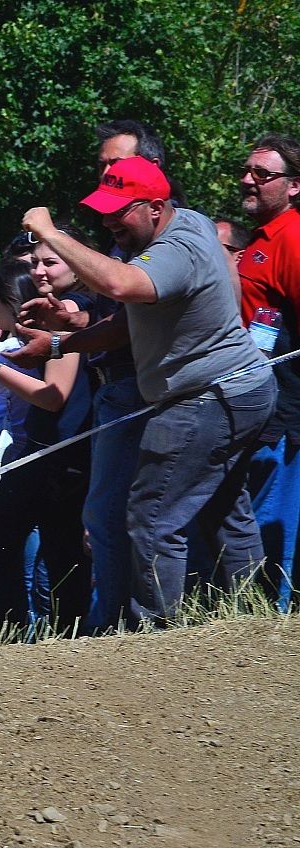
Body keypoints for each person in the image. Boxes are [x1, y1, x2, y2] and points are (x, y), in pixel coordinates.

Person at [22, 155, 277, 623]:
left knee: (152, 517)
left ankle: (156, 634)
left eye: (120, 209)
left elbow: (120, 286)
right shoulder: (191, 224)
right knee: (225, 511)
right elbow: (126, 323)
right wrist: (61, 341)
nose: (109, 219)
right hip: (240, 388)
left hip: (206, 397)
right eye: (104, 208)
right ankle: (255, 620)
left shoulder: (173, 249)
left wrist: (52, 234)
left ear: (156, 207)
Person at [0, 254, 93, 637]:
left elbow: (53, 397)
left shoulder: (57, 329)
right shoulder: (9, 344)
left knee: (58, 557)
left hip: (60, 459)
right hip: (30, 457)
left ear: (9, 300)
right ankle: (3, 637)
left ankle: (67, 637)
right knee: (2, 548)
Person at [235, 133, 300, 609]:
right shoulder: (261, 238)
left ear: (294, 185)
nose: (248, 180)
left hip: (282, 414)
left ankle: (268, 630)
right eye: (248, 170)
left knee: (272, 528)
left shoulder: (293, 238)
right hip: (251, 405)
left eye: (263, 174)